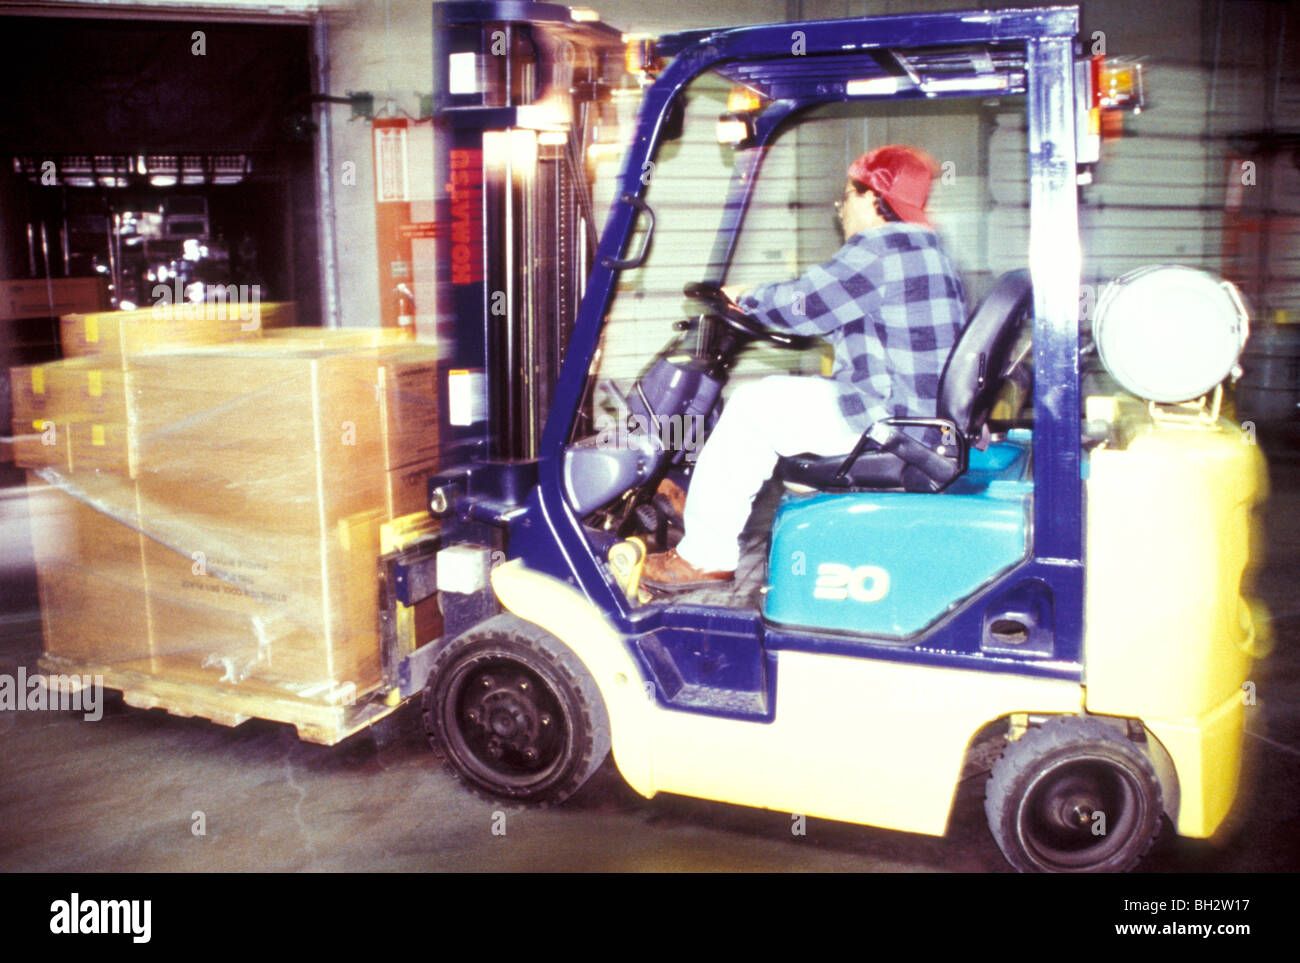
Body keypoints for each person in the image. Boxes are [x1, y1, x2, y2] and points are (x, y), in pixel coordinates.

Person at [640, 144, 967, 591]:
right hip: (919, 416)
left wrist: (745, 297)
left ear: (874, 199)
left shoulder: (881, 249)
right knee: (779, 397)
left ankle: (705, 556)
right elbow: (846, 314)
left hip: (891, 420)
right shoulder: (926, 251)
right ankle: (700, 501)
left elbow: (804, 304)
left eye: (847, 197)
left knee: (753, 406)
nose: (840, 209)